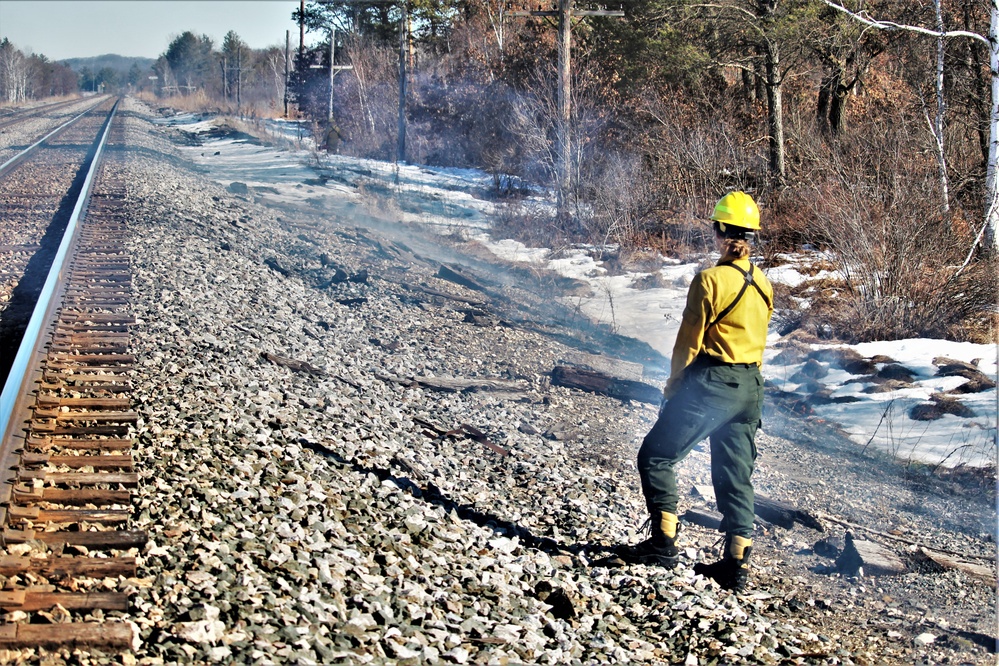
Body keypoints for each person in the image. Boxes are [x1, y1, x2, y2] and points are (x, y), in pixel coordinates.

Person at [617, 191, 774, 592]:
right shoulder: (764, 284)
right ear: (750, 236)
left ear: (718, 230)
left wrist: (673, 387)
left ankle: (663, 543)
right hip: (751, 389)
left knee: (656, 456)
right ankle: (735, 565)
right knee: (736, 476)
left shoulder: (709, 280)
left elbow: (688, 343)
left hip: (713, 384)